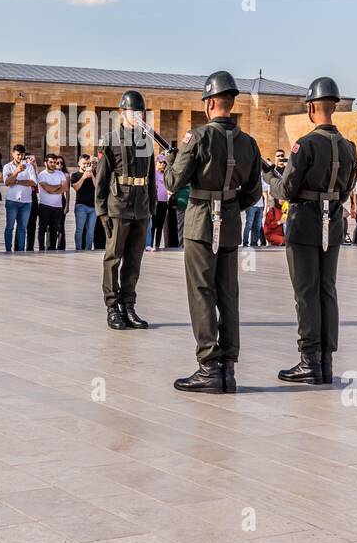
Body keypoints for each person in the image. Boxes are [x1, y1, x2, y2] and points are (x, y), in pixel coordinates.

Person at [163, 72, 262, 393]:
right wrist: (231, 208)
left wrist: (170, 162)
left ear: (209, 103)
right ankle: (228, 367)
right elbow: (253, 192)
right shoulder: (248, 143)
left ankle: (208, 364)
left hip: (200, 223)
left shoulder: (198, 137)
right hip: (231, 225)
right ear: (230, 104)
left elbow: (172, 184)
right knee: (228, 294)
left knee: (201, 292)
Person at [267, 77, 357, 384]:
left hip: (305, 224)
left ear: (311, 108)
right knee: (327, 291)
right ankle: (326, 361)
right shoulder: (348, 147)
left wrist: (271, 178)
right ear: (333, 107)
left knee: (306, 292)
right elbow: (346, 190)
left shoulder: (304, 145)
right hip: (332, 223)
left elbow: (287, 189)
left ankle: (309, 360)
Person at [95, 90, 161, 329]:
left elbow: (151, 178)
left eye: (140, 112)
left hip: (141, 208)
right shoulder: (110, 140)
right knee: (113, 259)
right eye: (133, 111)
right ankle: (112, 307)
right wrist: (102, 212)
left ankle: (128, 305)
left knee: (134, 260)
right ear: (121, 113)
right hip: (118, 206)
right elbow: (101, 180)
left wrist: (151, 205)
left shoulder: (146, 140)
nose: (137, 115)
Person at [0, 144, 36, 252]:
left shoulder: (29, 166)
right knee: (9, 227)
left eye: (22, 155)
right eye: (18, 154)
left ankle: (20, 250)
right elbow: (6, 182)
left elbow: (33, 182)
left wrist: (16, 181)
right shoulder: (7, 166)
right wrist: (17, 172)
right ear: (13, 154)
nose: (20, 157)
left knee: (22, 228)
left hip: (26, 202)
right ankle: (8, 249)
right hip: (12, 201)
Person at [36, 154, 68, 251]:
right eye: (51, 162)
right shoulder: (42, 175)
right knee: (43, 228)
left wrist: (53, 189)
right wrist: (59, 187)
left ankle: (52, 248)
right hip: (44, 205)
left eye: (54, 162)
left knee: (55, 228)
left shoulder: (60, 174)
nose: (53, 164)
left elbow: (65, 188)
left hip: (57, 206)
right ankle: (42, 248)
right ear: (46, 163)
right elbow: (47, 188)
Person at [71, 154, 98, 250]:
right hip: (81, 206)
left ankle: (88, 249)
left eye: (88, 163)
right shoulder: (75, 175)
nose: (86, 165)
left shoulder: (93, 174)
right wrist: (83, 177)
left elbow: (98, 188)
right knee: (79, 230)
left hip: (93, 207)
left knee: (90, 231)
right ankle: (78, 249)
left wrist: (92, 177)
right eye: (84, 163)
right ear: (79, 163)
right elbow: (76, 188)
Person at [147, 154, 170, 251]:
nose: (163, 164)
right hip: (155, 202)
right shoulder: (154, 174)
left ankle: (157, 245)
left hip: (164, 202)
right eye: (161, 162)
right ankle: (150, 244)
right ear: (156, 162)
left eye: (165, 162)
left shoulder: (166, 175)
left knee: (160, 225)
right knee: (153, 224)